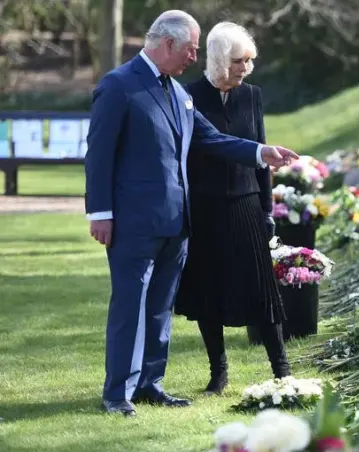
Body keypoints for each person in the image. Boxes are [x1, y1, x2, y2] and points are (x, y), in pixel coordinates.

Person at [84, 10, 298, 417]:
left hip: (177, 223)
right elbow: (99, 155)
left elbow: (212, 139)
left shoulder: (178, 92)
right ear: (168, 44)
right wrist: (99, 212)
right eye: (191, 49)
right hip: (134, 224)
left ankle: (150, 384)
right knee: (130, 306)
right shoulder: (119, 85)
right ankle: (117, 394)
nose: (195, 58)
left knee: (160, 308)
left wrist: (260, 152)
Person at [173, 22, 289, 396]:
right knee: (209, 291)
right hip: (204, 207)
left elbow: (262, 155)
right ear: (220, 59)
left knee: (262, 290)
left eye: (249, 60)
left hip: (246, 203)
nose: (246, 68)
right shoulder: (188, 96)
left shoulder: (252, 96)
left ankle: (282, 371)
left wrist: (268, 210)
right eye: (239, 61)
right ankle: (218, 373)